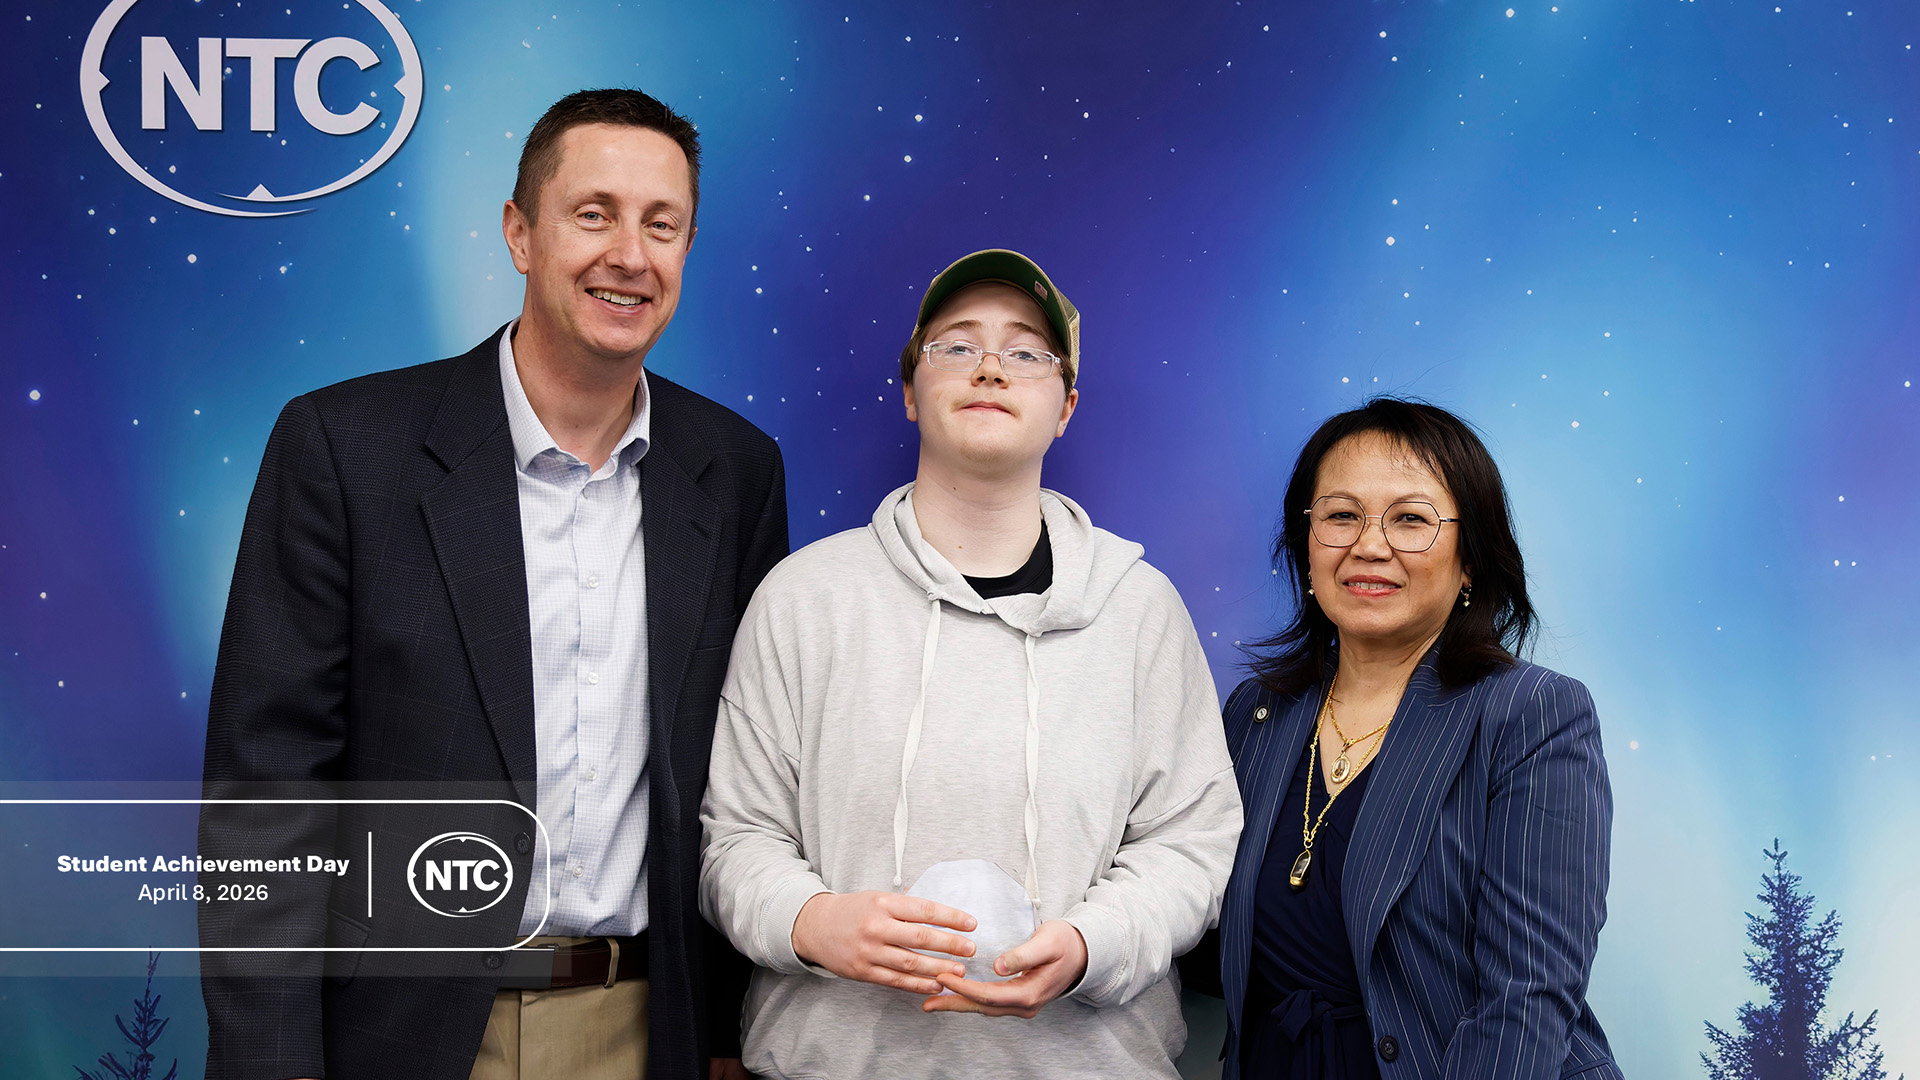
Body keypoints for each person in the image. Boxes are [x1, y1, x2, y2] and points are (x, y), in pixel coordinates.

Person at [199, 89, 785, 1080]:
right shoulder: (347, 451)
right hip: (399, 1038)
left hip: (645, 1033)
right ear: (520, 233)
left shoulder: (734, 472)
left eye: (662, 224)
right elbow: (267, 794)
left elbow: (749, 780)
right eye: (593, 214)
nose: (629, 255)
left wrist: (729, 1036)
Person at [699, 249, 1242, 1078]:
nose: (990, 366)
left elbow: (1191, 839)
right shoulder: (805, 598)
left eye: (1027, 351)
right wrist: (812, 920)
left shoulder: (1140, 611)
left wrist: (1095, 944)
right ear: (911, 391)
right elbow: (737, 837)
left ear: (1065, 406)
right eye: (956, 344)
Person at [1183, 398, 1619, 1079]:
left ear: (1471, 558)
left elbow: (1526, 998)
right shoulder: (1257, 713)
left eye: (1410, 519)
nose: (1370, 545)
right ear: (1306, 543)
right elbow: (1207, 939)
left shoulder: (1531, 714)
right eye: (1340, 515)